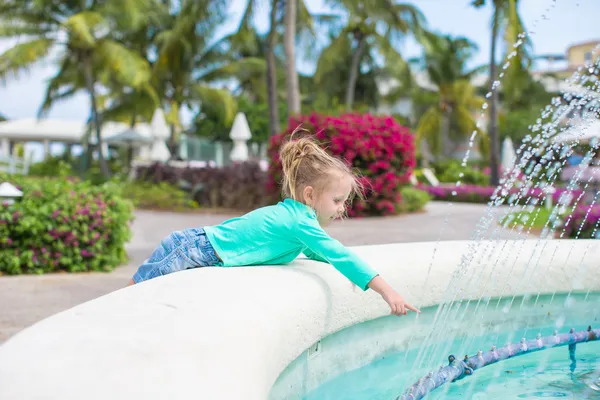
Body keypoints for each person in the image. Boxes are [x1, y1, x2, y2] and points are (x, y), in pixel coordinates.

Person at [129, 134, 419, 316]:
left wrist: (352, 277)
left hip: (199, 248)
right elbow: (337, 252)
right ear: (310, 195)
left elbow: (323, 253)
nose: (342, 208)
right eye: (337, 200)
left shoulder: (298, 220)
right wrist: (386, 290)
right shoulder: (298, 222)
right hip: (191, 248)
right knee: (128, 295)